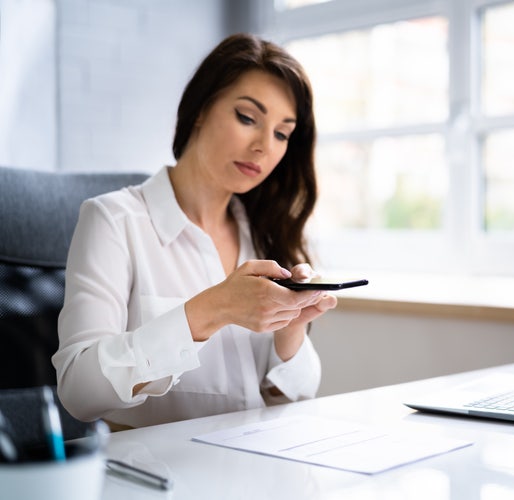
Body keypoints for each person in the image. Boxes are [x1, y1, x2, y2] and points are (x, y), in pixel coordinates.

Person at [52, 33, 337, 429]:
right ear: (201, 109)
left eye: (281, 133)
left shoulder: (265, 235)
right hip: (156, 480)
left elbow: (289, 400)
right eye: (248, 118)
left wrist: (290, 333)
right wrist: (209, 310)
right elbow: (78, 391)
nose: (263, 146)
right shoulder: (113, 221)